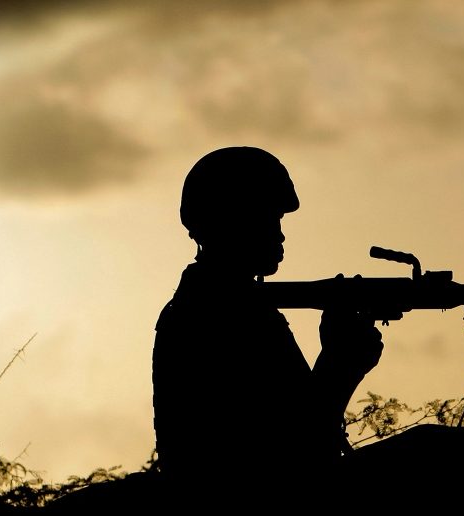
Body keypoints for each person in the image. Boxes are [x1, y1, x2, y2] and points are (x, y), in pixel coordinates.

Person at [152, 146, 383, 500]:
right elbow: (299, 449)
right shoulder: (222, 315)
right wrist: (340, 364)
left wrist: (340, 361)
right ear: (233, 221)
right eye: (268, 218)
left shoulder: (231, 307)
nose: (280, 234)